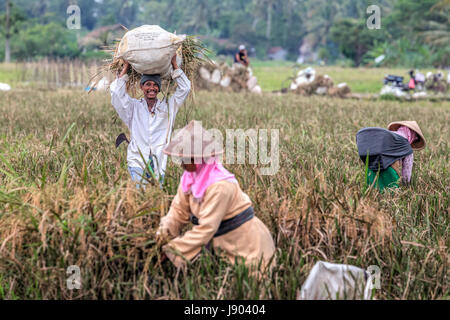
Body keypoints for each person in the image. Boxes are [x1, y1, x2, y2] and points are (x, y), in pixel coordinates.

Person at [155, 120, 275, 274]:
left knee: (249, 285)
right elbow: (177, 212)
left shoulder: (220, 186)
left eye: (187, 159)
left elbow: (206, 228)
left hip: (248, 245)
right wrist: (161, 238)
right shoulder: (189, 179)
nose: (182, 163)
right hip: (222, 245)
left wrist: (173, 250)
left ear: (199, 159)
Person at [110, 55, 191, 186]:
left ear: (159, 88)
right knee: (140, 193)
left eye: (155, 85)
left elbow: (185, 88)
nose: (151, 88)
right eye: (148, 84)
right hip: (137, 160)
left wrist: (174, 64)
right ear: (141, 87)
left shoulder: (168, 106)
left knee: (156, 195)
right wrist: (126, 67)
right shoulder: (133, 107)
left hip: (159, 161)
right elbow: (116, 93)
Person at [356, 121, 426, 192]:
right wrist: (406, 186)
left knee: (372, 190)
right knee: (391, 193)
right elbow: (406, 171)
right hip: (389, 170)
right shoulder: (406, 146)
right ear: (413, 136)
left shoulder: (388, 136)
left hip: (371, 166)